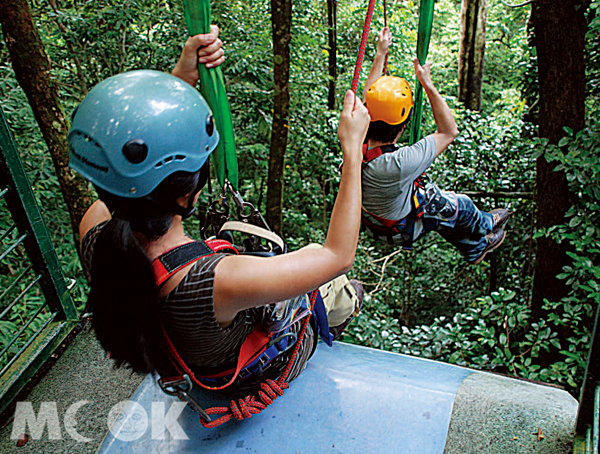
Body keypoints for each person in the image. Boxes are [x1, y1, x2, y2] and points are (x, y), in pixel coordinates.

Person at [71, 25, 370, 397]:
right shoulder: (219, 282)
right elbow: (338, 255)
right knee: (325, 275)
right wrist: (353, 150)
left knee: (302, 262)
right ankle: (350, 302)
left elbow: (124, 173)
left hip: (189, 359)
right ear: (187, 197)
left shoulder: (95, 233)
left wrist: (180, 83)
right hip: (250, 374)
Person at [360, 27, 509, 265]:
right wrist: (427, 84)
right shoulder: (398, 163)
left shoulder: (356, 139)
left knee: (438, 205)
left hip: (375, 223)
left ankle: (473, 248)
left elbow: (368, 100)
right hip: (399, 228)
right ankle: (484, 226)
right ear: (402, 126)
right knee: (458, 205)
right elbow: (449, 132)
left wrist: (380, 54)